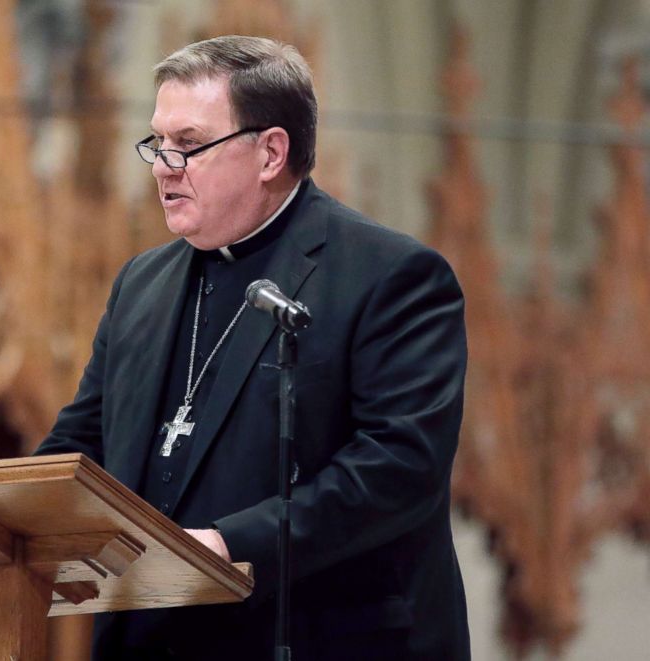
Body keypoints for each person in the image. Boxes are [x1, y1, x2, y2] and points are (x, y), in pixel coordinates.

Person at [35, 35, 470, 660]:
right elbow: (83, 443)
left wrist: (228, 544)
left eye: (188, 145)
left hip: (318, 637)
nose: (162, 164)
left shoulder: (389, 275)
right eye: (158, 143)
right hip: (155, 640)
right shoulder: (142, 283)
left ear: (270, 152)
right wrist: (7, 516)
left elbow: (400, 468)